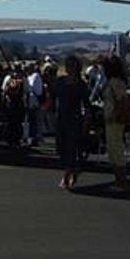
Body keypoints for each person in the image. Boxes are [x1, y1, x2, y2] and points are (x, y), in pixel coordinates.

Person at [53, 54, 89, 190]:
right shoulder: (60, 82)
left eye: (72, 65)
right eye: (67, 65)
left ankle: (66, 175)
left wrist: (86, 121)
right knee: (61, 148)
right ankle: (72, 169)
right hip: (61, 118)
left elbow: (86, 104)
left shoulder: (81, 85)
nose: (69, 68)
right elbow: (53, 96)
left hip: (74, 119)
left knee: (71, 148)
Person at [101, 54, 130, 193]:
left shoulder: (114, 83)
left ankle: (122, 181)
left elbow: (120, 101)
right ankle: (119, 180)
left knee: (116, 150)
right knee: (114, 149)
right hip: (112, 119)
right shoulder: (117, 81)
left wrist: (113, 114)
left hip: (114, 119)